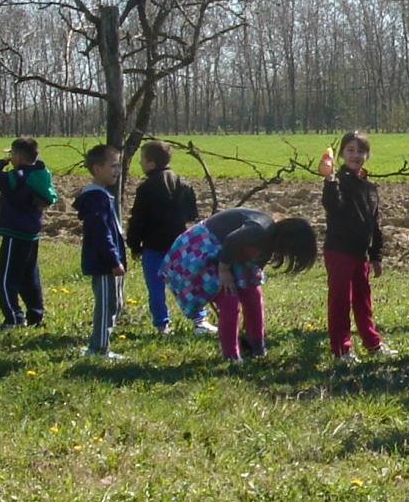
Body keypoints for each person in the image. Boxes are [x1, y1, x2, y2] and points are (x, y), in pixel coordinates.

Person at [162, 208, 319, 365]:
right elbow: (232, 239)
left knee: (253, 296)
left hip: (228, 253)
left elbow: (253, 274)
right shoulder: (259, 231)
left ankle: (257, 348)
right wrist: (224, 271)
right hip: (201, 246)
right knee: (229, 301)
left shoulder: (267, 246)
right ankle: (231, 356)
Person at [318, 131, 390, 360]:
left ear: (367, 155)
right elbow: (332, 205)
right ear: (341, 154)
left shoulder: (369, 188)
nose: (355, 155)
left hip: (360, 254)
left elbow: (374, 224)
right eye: (350, 150)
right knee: (340, 301)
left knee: (363, 300)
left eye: (361, 151)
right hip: (339, 250)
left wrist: (376, 255)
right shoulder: (338, 182)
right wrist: (329, 180)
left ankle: (372, 343)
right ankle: (341, 348)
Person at [125, 140, 205, 335]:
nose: (140, 163)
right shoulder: (183, 184)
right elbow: (192, 215)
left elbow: (138, 219)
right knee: (188, 283)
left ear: (151, 163)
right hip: (179, 246)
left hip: (153, 246)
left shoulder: (146, 188)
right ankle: (199, 321)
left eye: (142, 159)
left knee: (156, 288)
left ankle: (162, 325)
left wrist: (134, 244)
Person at [0, 136, 57, 328]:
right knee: (29, 278)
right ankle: (35, 315)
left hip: (15, 234)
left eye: (12, 154)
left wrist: (2, 162)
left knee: (5, 279)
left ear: (18, 156)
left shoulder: (17, 177)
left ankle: (14, 318)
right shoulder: (41, 175)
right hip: (31, 235)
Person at [74, 144, 128, 360]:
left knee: (115, 303)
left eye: (118, 166)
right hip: (103, 263)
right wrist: (113, 260)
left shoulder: (103, 195)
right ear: (97, 169)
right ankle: (98, 349)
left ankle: (99, 344)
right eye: (113, 166)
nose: (117, 170)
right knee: (106, 305)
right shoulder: (96, 198)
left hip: (109, 261)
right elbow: (101, 233)